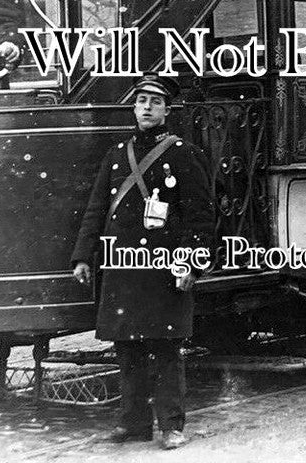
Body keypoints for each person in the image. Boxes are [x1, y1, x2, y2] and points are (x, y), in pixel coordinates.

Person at [70, 74, 215, 450]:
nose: (147, 107)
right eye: (141, 101)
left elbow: (200, 215)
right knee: (127, 347)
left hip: (165, 266)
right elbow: (96, 209)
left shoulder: (183, 153)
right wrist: (84, 255)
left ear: (167, 109)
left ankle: (171, 426)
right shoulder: (118, 154)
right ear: (134, 108)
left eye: (154, 101)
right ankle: (133, 424)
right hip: (123, 266)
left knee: (165, 347)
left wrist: (190, 261)